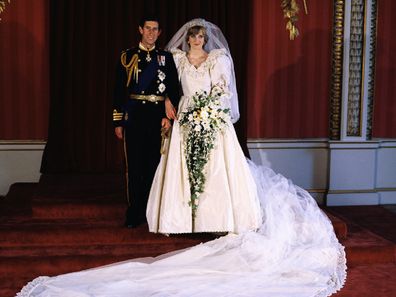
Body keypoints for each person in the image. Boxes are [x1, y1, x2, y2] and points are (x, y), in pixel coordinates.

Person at [17, 19, 346, 297]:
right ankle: (174, 219)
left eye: (201, 36)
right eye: (194, 36)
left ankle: (220, 220)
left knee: (219, 172)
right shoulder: (172, 59)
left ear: (206, 38)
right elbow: (166, 89)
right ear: (186, 39)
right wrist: (166, 109)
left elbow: (225, 92)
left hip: (212, 120)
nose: (198, 40)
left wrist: (210, 110)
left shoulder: (219, 60)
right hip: (185, 120)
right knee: (176, 172)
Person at [113, 15, 179, 228]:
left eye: (155, 29)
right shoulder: (127, 56)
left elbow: (174, 88)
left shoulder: (166, 58)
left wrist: (168, 111)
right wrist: (118, 121)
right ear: (140, 29)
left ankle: (150, 211)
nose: (151, 33)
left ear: (159, 33)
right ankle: (134, 212)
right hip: (134, 118)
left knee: (153, 166)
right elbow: (118, 91)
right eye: (147, 28)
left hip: (157, 118)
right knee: (134, 167)